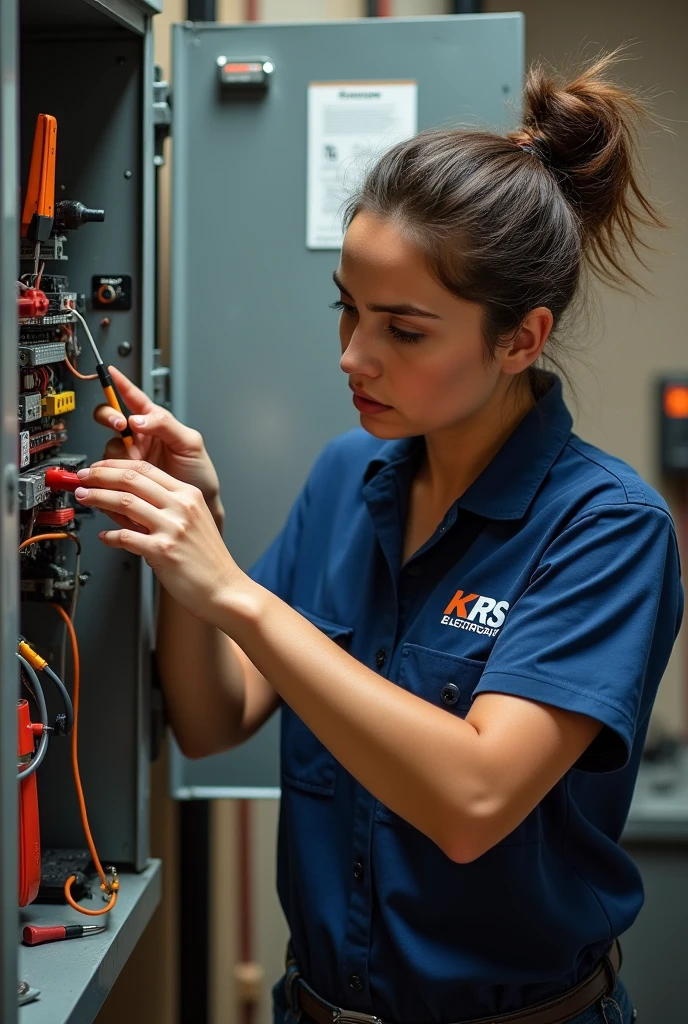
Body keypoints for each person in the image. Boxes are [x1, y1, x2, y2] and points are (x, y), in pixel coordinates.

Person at [80, 52, 682, 1024]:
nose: (353, 356)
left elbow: (473, 799)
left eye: (404, 329)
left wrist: (237, 593)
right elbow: (213, 718)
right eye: (347, 310)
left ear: (520, 339)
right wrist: (201, 539)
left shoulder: (605, 529)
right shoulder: (344, 476)